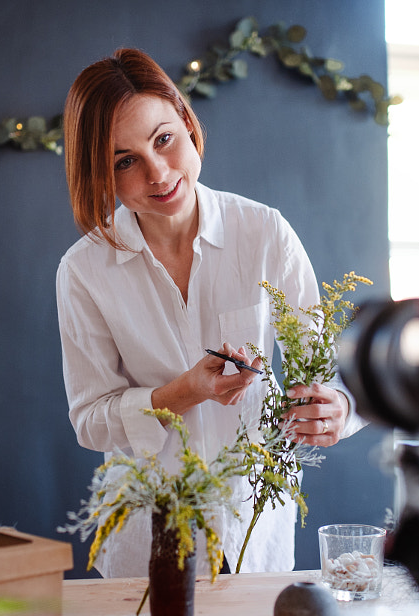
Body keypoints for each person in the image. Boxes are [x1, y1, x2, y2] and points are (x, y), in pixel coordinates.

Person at [56, 48, 365, 578]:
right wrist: (183, 393)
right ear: (102, 175)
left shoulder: (265, 234)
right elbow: (90, 421)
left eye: (163, 139)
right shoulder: (84, 271)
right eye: (124, 161)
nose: (158, 172)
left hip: (255, 535)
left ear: (186, 120)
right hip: (146, 544)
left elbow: (333, 372)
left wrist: (340, 407)